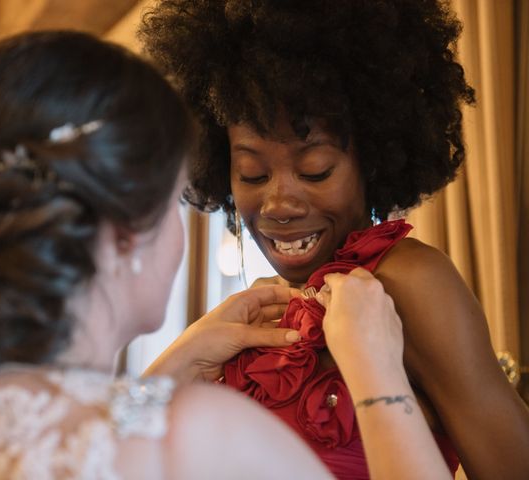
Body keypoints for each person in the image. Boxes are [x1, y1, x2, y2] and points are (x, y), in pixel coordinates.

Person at [0, 30, 451, 480]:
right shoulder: (203, 436)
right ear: (127, 236)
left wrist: (174, 366)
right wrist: (380, 380)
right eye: (174, 204)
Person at [139, 1, 529, 478]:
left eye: (315, 170)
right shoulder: (252, 318)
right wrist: (176, 360)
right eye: (253, 173)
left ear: (375, 160)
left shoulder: (408, 281)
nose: (279, 203)